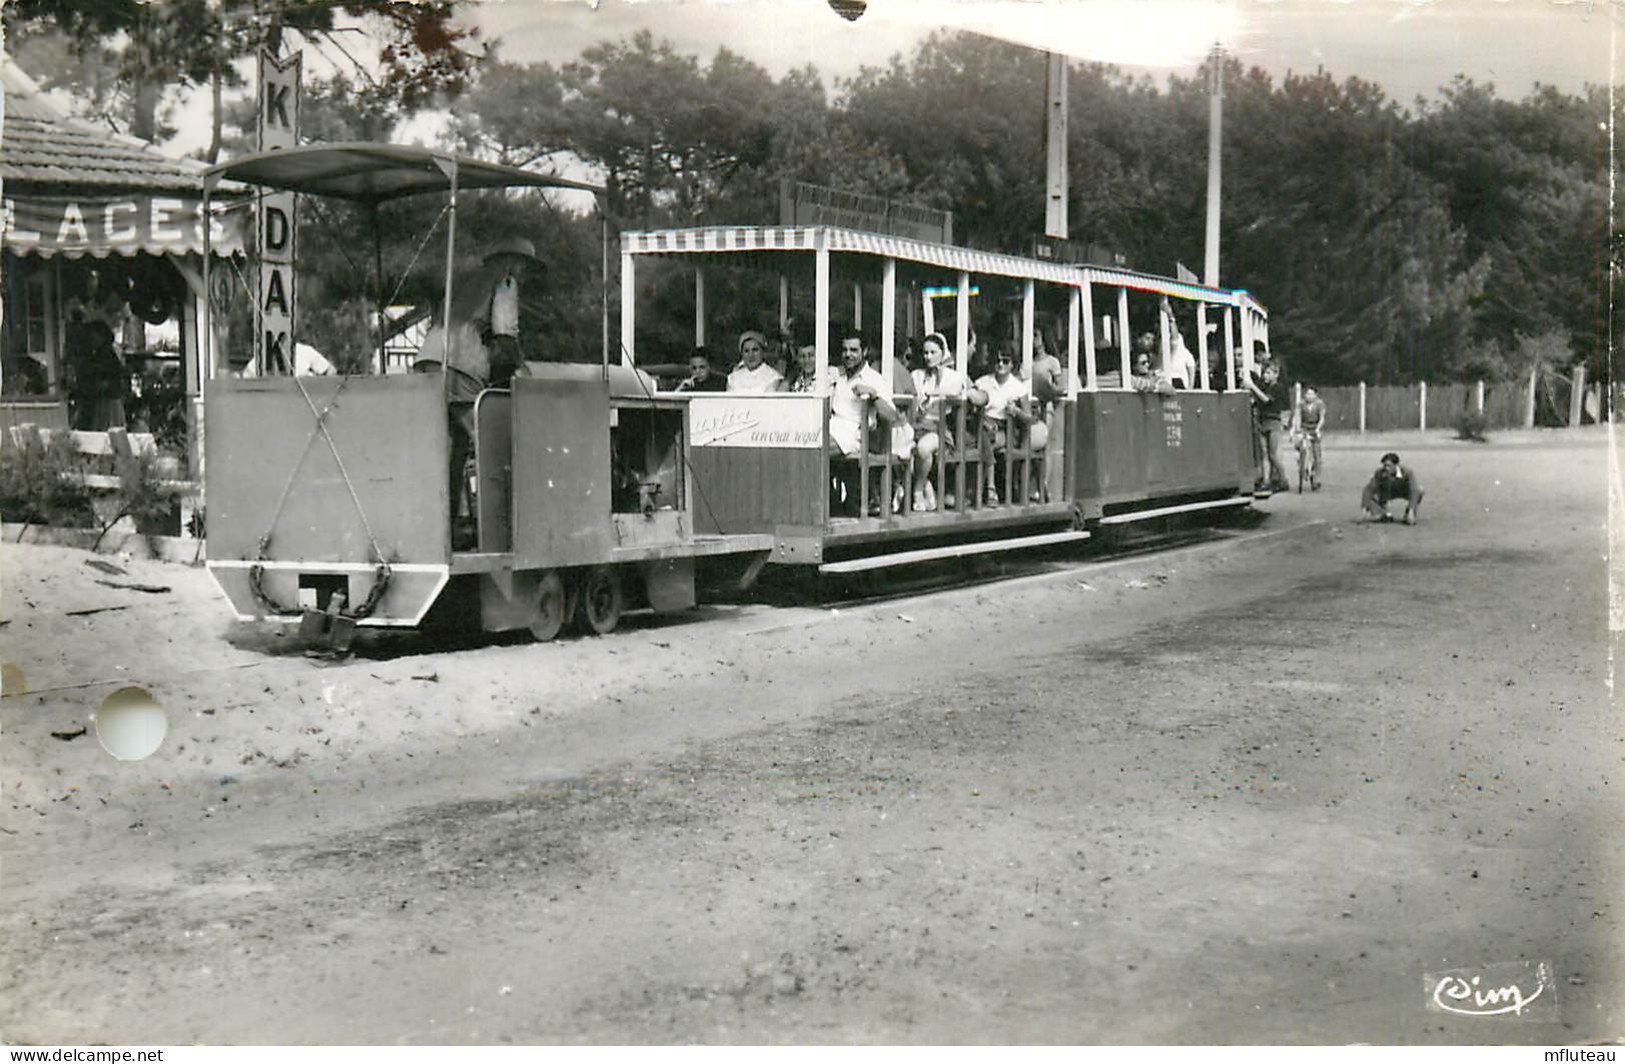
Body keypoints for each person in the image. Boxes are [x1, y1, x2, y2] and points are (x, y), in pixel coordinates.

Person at [415, 235, 541, 548]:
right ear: (514, 262)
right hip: (461, 362)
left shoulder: (467, 281)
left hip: (428, 358)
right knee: (485, 438)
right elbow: (505, 332)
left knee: (449, 445)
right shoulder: (506, 283)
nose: (524, 275)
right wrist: (522, 368)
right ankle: (499, 525)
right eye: (525, 267)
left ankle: (451, 523)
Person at [827, 328, 898, 516]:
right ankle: (831, 499)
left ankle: (829, 501)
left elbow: (891, 416)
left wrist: (873, 395)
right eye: (845, 350)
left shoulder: (874, 379)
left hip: (857, 434)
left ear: (864, 352)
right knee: (805, 441)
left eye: (853, 350)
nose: (848, 355)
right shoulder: (839, 377)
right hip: (833, 426)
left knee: (817, 448)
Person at [910, 331, 975, 512]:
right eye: (925, 353)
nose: (929, 357)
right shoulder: (916, 375)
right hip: (915, 424)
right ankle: (927, 486)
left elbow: (968, 395)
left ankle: (917, 489)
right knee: (902, 448)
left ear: (943, 352)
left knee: (923, 448)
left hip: (939, 427)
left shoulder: (954, 377)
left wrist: (939, 393)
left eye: (933, 352)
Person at [972, 348, 1032, 504]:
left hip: (1005, 430)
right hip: (981, 425)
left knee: (985, 440)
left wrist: (1016, 410)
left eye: (1005, 361)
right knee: (983, 436)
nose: (1000, 364)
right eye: (997, 360)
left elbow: (1029, 418)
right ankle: (986, 489)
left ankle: (987, 488)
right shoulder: (983, 381)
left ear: (1012, 365)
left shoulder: (1018, 387)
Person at [63, 318, 126, 430]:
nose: (92, 339)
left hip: (107, 402)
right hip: (97, 401)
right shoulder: (95, 355)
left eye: (95, 335)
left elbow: (113, 380)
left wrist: (101, 384)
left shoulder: (108, 356)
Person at [1245, 360, 1290, 492]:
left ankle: (1283, 479)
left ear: (1276, 374)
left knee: (1273, 454)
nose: (1265, 375)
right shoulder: (1264, 386)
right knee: (1264, 453)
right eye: (1264, 372)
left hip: (1273, 422)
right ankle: (1266, 480)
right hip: (1262, 421)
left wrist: (1253, 387)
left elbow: (1266, 400)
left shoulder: (1278, 388)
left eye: (1268, 373)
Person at [1361, 451, 1424, 524]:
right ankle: (1382, 514)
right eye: (1384, 466)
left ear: (1396, 465)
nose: (1386, 468)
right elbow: (1368, 489)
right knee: (1373, 496)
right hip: (1387, 493)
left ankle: (1408, 515)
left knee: (1420, 490)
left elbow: (1414, 490)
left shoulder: (1407, 472)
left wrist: (1411, 510)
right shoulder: (1379, 473)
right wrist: (1365, 508)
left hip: (1404, 491)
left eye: (1389, 466)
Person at [1297, 384, 1327, 490]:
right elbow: (1298, 416)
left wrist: (1318, 429)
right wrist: (1296, 429)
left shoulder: (1319, 404)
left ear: (1315, 395)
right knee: (1301, 445)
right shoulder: (1301, 404)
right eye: (1307, 393)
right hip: (1304, 428)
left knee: (1317, 455)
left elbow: (1322, 418)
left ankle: (1316, 478)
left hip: (1315, 428)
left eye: (1311, 394)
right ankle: (1301, 465)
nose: (1309, 396)